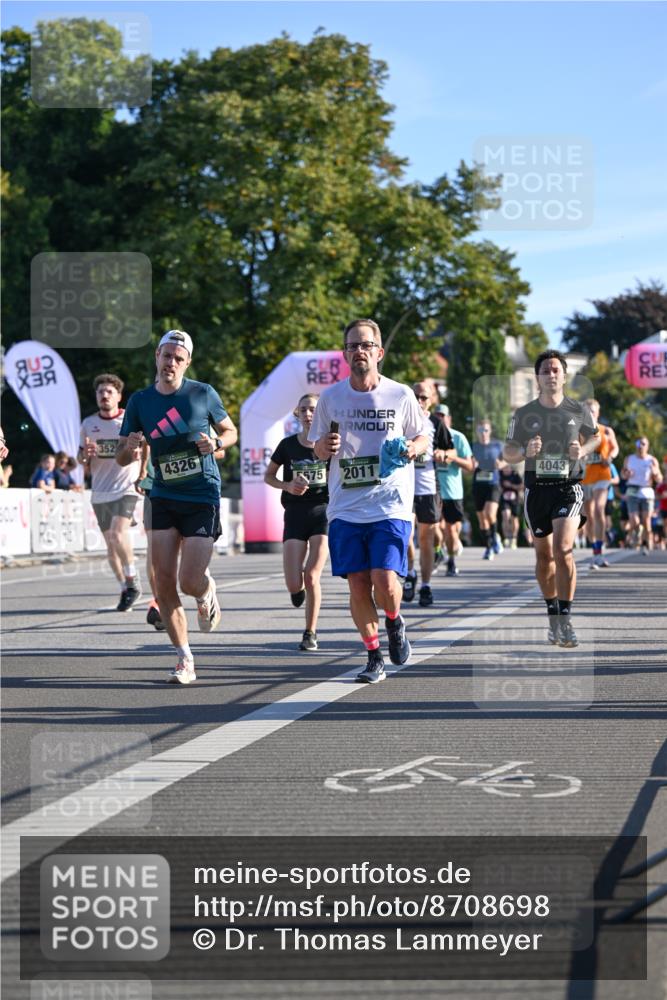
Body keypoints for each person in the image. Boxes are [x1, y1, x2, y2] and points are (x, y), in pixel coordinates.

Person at [310, 318, 429, 683]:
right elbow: (315, 449)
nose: (358, 351)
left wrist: (412, 447)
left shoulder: (400, 394)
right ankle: (373, 654)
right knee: (358, 583)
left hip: (390, 502)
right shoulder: (331, 398)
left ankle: (394, 621)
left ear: (379, 352)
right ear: (345, 354)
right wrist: (323, 447)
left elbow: (423, 435)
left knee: (385, 579)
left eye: (365, 345)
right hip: (346, 505)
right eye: (352, 346)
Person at [116, 330, 238, 684]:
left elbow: (230, 432)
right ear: (156, 356)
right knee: (164, 583)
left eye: (178, 358)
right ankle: (184, 658)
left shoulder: (202, 393)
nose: (171, 363)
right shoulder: (140, 401)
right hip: (163, 494)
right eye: (166, 355)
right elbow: (123, 456)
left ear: (187, 362)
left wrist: (215, 440)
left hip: (201, 494)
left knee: (189, 581)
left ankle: (205, 590)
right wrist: (132, 447)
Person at [504, 349, 600, 648]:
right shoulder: (523, 414)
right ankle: (552, 612)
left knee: (563, 549)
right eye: (545, 370)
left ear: (564, 375)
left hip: (568, 486)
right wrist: (524, 453)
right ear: (537, 378)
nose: (551, 374)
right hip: (537, 491)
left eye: (556, 369)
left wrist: (583, 451)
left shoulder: (577, 409)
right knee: (544, 557)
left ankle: (566, 618)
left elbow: (597, 437)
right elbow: (507, 452)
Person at [264, 393, 330, 650]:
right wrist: (287, 485)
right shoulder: (288, 445)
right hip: (294, 513)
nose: (308, 414)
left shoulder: (329, 444)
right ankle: (296, 590)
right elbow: (269, 476)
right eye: (303, 409)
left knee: (312, 576)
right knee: (295, 582)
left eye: (312, 409)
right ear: (297, 414)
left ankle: (310, 632)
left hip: (322, 512)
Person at [79, 374, 142, 611]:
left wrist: (141, 466)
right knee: (111, 546)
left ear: (118, 396)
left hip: (126, 486)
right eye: (100, 392)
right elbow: (81, 460)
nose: (104, 395)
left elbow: (145, 447)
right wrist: (86, 454)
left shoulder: (128, 419)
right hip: (100, 490)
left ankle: (133, 578)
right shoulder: (88, 424)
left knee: (117, 535)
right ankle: (125, 588)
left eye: (109, 392)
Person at [402, 381, 452, 607]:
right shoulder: (401, 420)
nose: (420, 401)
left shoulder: (435, 424)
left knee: (427, 537)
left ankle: (426, 585)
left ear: (432, 400)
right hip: (403, 486)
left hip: (428, 487)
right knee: (406, 535)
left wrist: (443, 453)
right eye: (416, 396)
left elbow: (451, 449)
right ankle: (410, 573)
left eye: (424, 397)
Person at [433, 404, 474, 576]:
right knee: (434, 527)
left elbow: (470, 466)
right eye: (437, 416)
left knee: (450, 530)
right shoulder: (427, 437)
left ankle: (451, 560)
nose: (440, 419)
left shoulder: (458, 437)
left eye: (443, 416)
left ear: (449, 418)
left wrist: (453, 457)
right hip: (433, 490)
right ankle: (438, 551)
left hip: (453, 492)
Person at [581, 400, 619, 569]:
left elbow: (615, 448)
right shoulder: (580, 431)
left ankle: (599, 551)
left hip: (603, 474)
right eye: (587, 411)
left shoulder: (607, 430)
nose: (591, 414)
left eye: (593, 411)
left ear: (598, 412)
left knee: (599, 509)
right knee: (588, 516)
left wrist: (610, 457)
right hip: (585, 477)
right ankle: (594, 549)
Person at [621, 437, 663, 554]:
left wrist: (655, 473)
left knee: (646, 520)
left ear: (647, 446)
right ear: (636, 445)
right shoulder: (629, 459)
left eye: (643, 444)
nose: (641, 446)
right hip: (632, 490)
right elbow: (623, 475)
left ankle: (644, 543)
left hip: (647, 491)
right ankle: (638, 532)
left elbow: (659, 479)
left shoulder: (652, 460)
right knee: (634, 520)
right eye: (639, 444)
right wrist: (626, 474)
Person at [471, 420, 504, 560]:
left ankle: (495, 540)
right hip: (478, 485)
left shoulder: (498, 445)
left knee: (490, 514)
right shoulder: (473, 446)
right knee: (482, 520)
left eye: (485, 430)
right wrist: (471, 465)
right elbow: (468, 465)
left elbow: (508, 460)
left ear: (490, 431)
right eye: (480, 430)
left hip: (493, 483)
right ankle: (489, 546)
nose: (483, 433)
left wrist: (500, 464)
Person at [499, 463, 524, 549]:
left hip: (515, 500)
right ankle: (506, 537)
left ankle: (514, 539)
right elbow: (496, 485)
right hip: (504, 499)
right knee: (506, 515)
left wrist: (511, 485)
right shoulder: (500, 474)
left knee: (514, 519)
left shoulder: (515, 474)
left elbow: (522, 486)